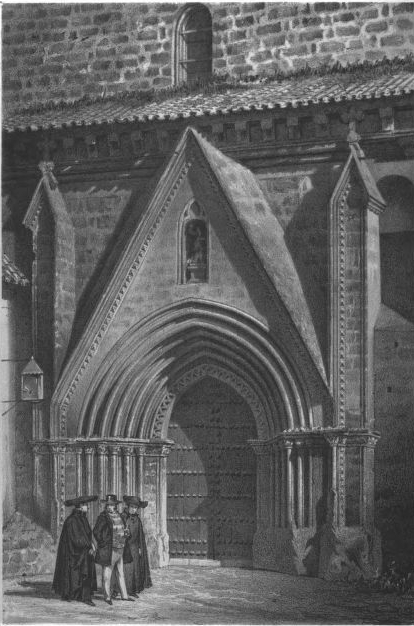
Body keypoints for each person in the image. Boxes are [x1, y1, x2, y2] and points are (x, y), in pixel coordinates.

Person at [52, 495, 98, 606]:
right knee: (78, 573)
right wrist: (89, 546)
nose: (88, 507)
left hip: (83, 552)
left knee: (84, 573)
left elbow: (87, 535)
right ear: (80, 507)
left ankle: (83, 596)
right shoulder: (72, 520)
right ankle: (80, 596)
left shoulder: (82, 518)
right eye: (86, 505)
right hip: (75, 553)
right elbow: (77, 539)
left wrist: (92, 544)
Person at [93, 494, 134, 605]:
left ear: (115, 505)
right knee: (107, 574)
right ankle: (107, 597)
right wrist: (104, 543)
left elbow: (123, 529)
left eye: (112, 505)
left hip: (121, 548)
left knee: (121, 573)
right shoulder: (103, 517)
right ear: (106, 506)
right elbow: (96, 532)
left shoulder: (119, 516)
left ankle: (124, 596)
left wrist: (126, 534)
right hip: (109, 550)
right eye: (108, 505)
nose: (110, 507)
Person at [122, 495, 152, 597]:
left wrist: (140, 548)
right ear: (128, 507)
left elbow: (140, 535)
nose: (134, 510)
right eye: (132, 507)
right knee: (127, 569)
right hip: (125, 547)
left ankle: (134, 589)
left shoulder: (137, 519)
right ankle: (125, 589)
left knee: (136, 568)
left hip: (134, 547)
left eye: (135, 508)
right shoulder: (123, 517)